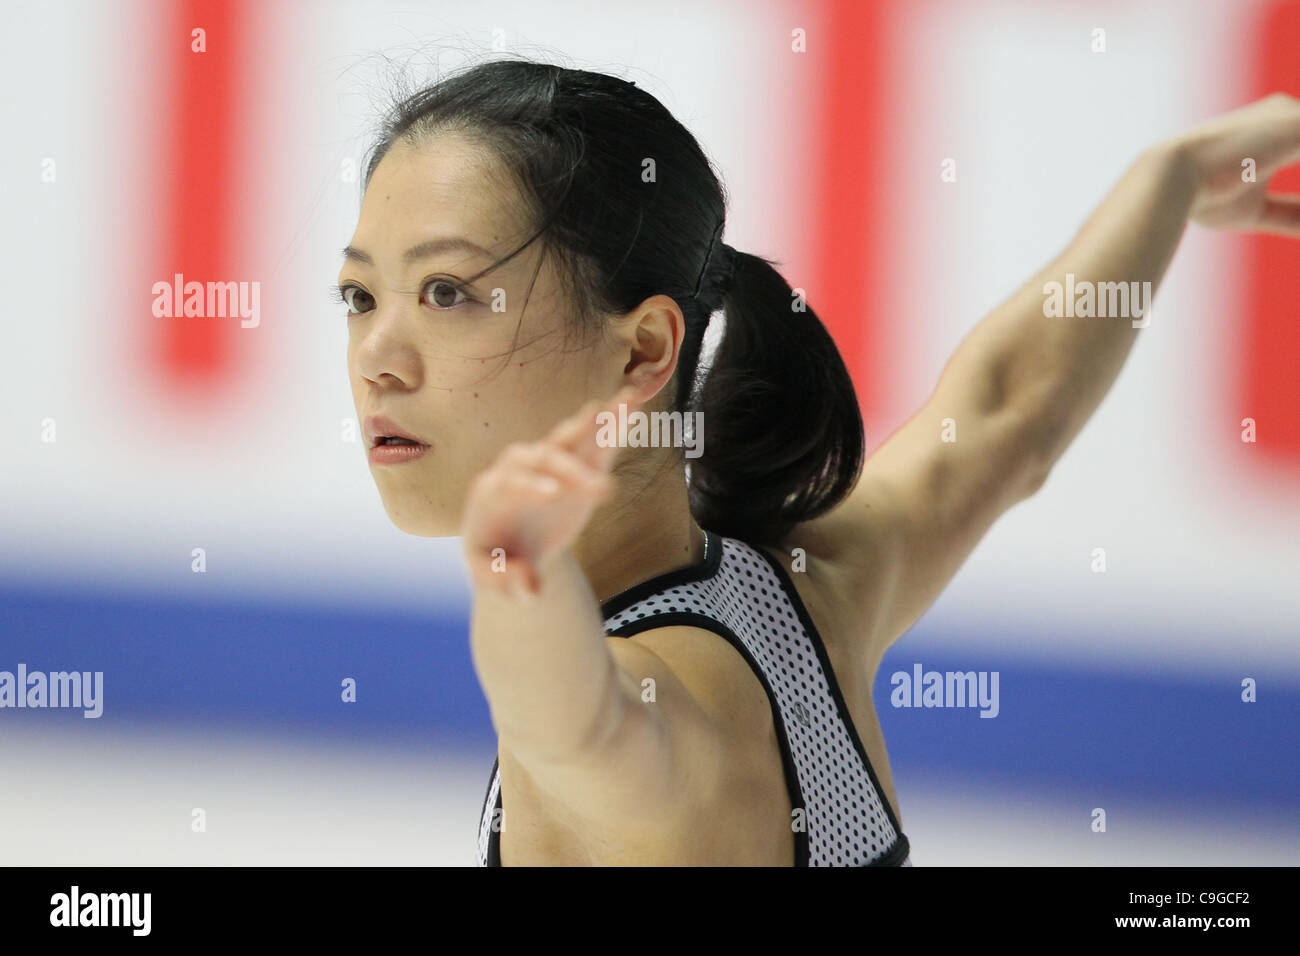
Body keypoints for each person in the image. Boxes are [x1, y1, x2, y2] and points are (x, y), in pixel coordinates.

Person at [334, 58, 1300, 864]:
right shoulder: (800, 590)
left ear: (642, 351)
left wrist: (518, 581)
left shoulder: (659, 699)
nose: (378, 356)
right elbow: (1007, 415)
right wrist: (1167, 185)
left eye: (450, 291)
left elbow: (578, 721)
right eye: (360, 297)